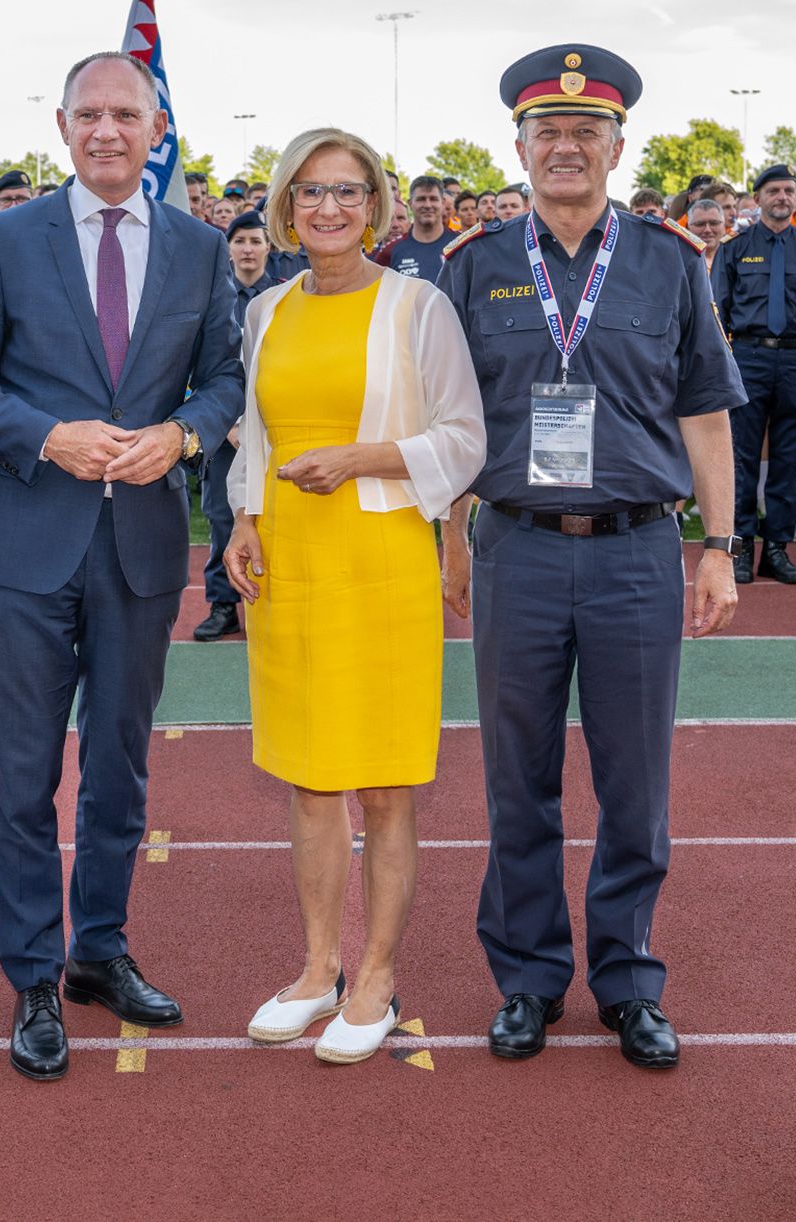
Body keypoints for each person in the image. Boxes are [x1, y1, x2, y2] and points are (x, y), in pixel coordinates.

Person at [0, 50, 245, 1082]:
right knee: (22, 774)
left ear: (156, 129)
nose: (107, 131)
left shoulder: (198, 249)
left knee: (119, 767)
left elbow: (226, 380)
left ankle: (97, 950)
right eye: (88, 115)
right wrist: (44, 435)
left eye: (126, 115)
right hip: (24, 543)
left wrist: (183, 438)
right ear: (60, 127)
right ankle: (30, 975)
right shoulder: (7, 239)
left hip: (139, 544)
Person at [437, 44, 744, 1071]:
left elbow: (702, 412)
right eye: (545, 132)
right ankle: (526, 978)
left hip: (634, 553)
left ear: (617, 147)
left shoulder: (669, 262)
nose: (563, 146)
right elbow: (452, 422)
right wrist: (452, 546)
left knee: (634, 783)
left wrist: (718, 546)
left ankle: (626, 980)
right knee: (515, 781)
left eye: (584, 132)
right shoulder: (470, 265)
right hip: (515, 548)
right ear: (517, 146)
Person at [220, 127, 483, 1064]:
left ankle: (375, 974)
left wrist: (365, 457)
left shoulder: (418, 306)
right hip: (292, 561)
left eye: (346, 192)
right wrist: (244, 519)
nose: (327, 209)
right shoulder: (266, 308)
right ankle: (316, 967)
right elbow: (253, 434)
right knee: (307, 777)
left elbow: (464, 438)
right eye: (309, 193)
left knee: (383, 784)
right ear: (286, 206)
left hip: (381, 556)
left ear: (374, 203)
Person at [709, 163, 796, 584]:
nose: (782, 197)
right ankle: (741, 546)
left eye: (788, 191)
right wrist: (724, 370)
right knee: (742, 457)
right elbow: (717, 316)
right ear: (759, 197)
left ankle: (777, 549)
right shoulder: (734, 247)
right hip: (748, 359)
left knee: (789, 459)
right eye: (774, 191)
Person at [192, 210, 280, 643]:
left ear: (269, 247)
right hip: (223, 432)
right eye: (240, 241)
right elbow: (195, 361)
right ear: (229, 249)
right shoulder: (212, 295)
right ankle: (223, 604)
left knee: (274, 513)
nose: (247, 249)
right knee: (222, 516)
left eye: (255, 241)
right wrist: (226, 422)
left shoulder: (283, 298)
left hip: (269, 427)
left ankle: (274, 598)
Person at [376, 175, 455, 282]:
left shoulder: (461, 244)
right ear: (410, 203)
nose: (427, 205)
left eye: (433, 199)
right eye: (421, 199)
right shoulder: (390, 251)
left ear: (443, 203)